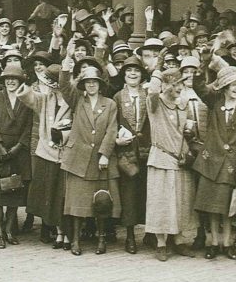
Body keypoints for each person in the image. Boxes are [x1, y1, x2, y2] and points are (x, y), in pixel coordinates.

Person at [59, 65, 119, 256]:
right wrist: (67, 64)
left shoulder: (109, 104)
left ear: (100, 85)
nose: (91, 85)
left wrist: (105, 154)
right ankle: (75, 240)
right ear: (83, 84)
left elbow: (112, 130)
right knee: (77, 203)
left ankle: (101, 239)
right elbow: (64, 86)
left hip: (99, 160)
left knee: (101, 202)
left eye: (95, 82)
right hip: (78, 159)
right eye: (88, 82)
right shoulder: (77, 100)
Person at [195, 66, 236, 260]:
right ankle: (213, 243)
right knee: (211, 207)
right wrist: (201, 67)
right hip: (211, 161)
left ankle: (227, 244)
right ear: (224, 87)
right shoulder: (215, 101)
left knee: (228, 207)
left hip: (231, 162)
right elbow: (200, 88)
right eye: (232, 84)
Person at [144, 68, 197, 261]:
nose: (180, 88)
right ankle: (160, 243)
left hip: (181, 159)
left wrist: (189, 134)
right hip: (161, 158)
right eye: (176, 84)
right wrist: (158, 72)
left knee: (181, 201)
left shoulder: (184, 104)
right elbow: (151, 91)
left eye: (182, 84)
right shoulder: (155, 104)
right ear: (166, 86)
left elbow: (188, 128)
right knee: (161, 202)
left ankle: (179, 241)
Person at [18, 62, 72, 248]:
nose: (49, 86)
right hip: (46, 154)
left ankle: (67, 234)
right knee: (50, 195)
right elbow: (27, 97)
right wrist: (21, 79)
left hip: (66, 155)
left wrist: (64, 135)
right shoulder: (45, 99)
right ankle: (58, 232)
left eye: (51, 83)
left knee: (63, 197)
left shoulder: (72, 101)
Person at [0, 65, 33, 248]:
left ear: (21, 80)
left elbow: (29, 126)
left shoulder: (27, 99)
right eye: (7, 78)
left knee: (14, 193)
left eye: (14, 78)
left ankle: (9, 230)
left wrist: (19, 147)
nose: (11, 81)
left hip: (18, 152)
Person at [112, 56, 148, 254]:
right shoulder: (118, 97)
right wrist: (117, 141)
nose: (133, 74)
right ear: (124, 75)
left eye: (136, 71)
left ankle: (150, 235)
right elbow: (113, 123)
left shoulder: (148, 95)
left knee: (147, 192)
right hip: (126, 151)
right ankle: (130, 236)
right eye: (129, 71)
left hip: (146, 150)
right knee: (129, 194)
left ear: (142, 75)